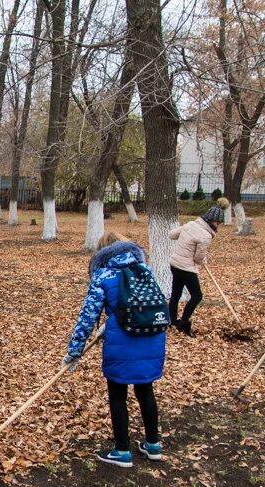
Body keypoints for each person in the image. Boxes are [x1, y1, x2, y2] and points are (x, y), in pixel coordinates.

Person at [62, 238, 166, 468]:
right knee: (145, 390)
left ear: (103, 252)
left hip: (122, 342)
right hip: (152, 337)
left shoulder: (103, 276)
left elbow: (87, 317)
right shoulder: (144, 270)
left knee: (118, 394)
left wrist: (74, 352)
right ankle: (152, 444)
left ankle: (121, 450)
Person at [167, 198, 228, 337]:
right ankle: (183, 323)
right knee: (197, 296)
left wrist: (185, 237)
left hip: (175, 264)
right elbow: (198, 258)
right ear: (214, 222)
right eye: (219, 223)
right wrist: (203, 261)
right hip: (186, 268)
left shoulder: (190, 225)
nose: (219, 226)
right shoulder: (205, 235)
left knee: (175, 294)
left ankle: (172, 321)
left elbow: (172, 235)